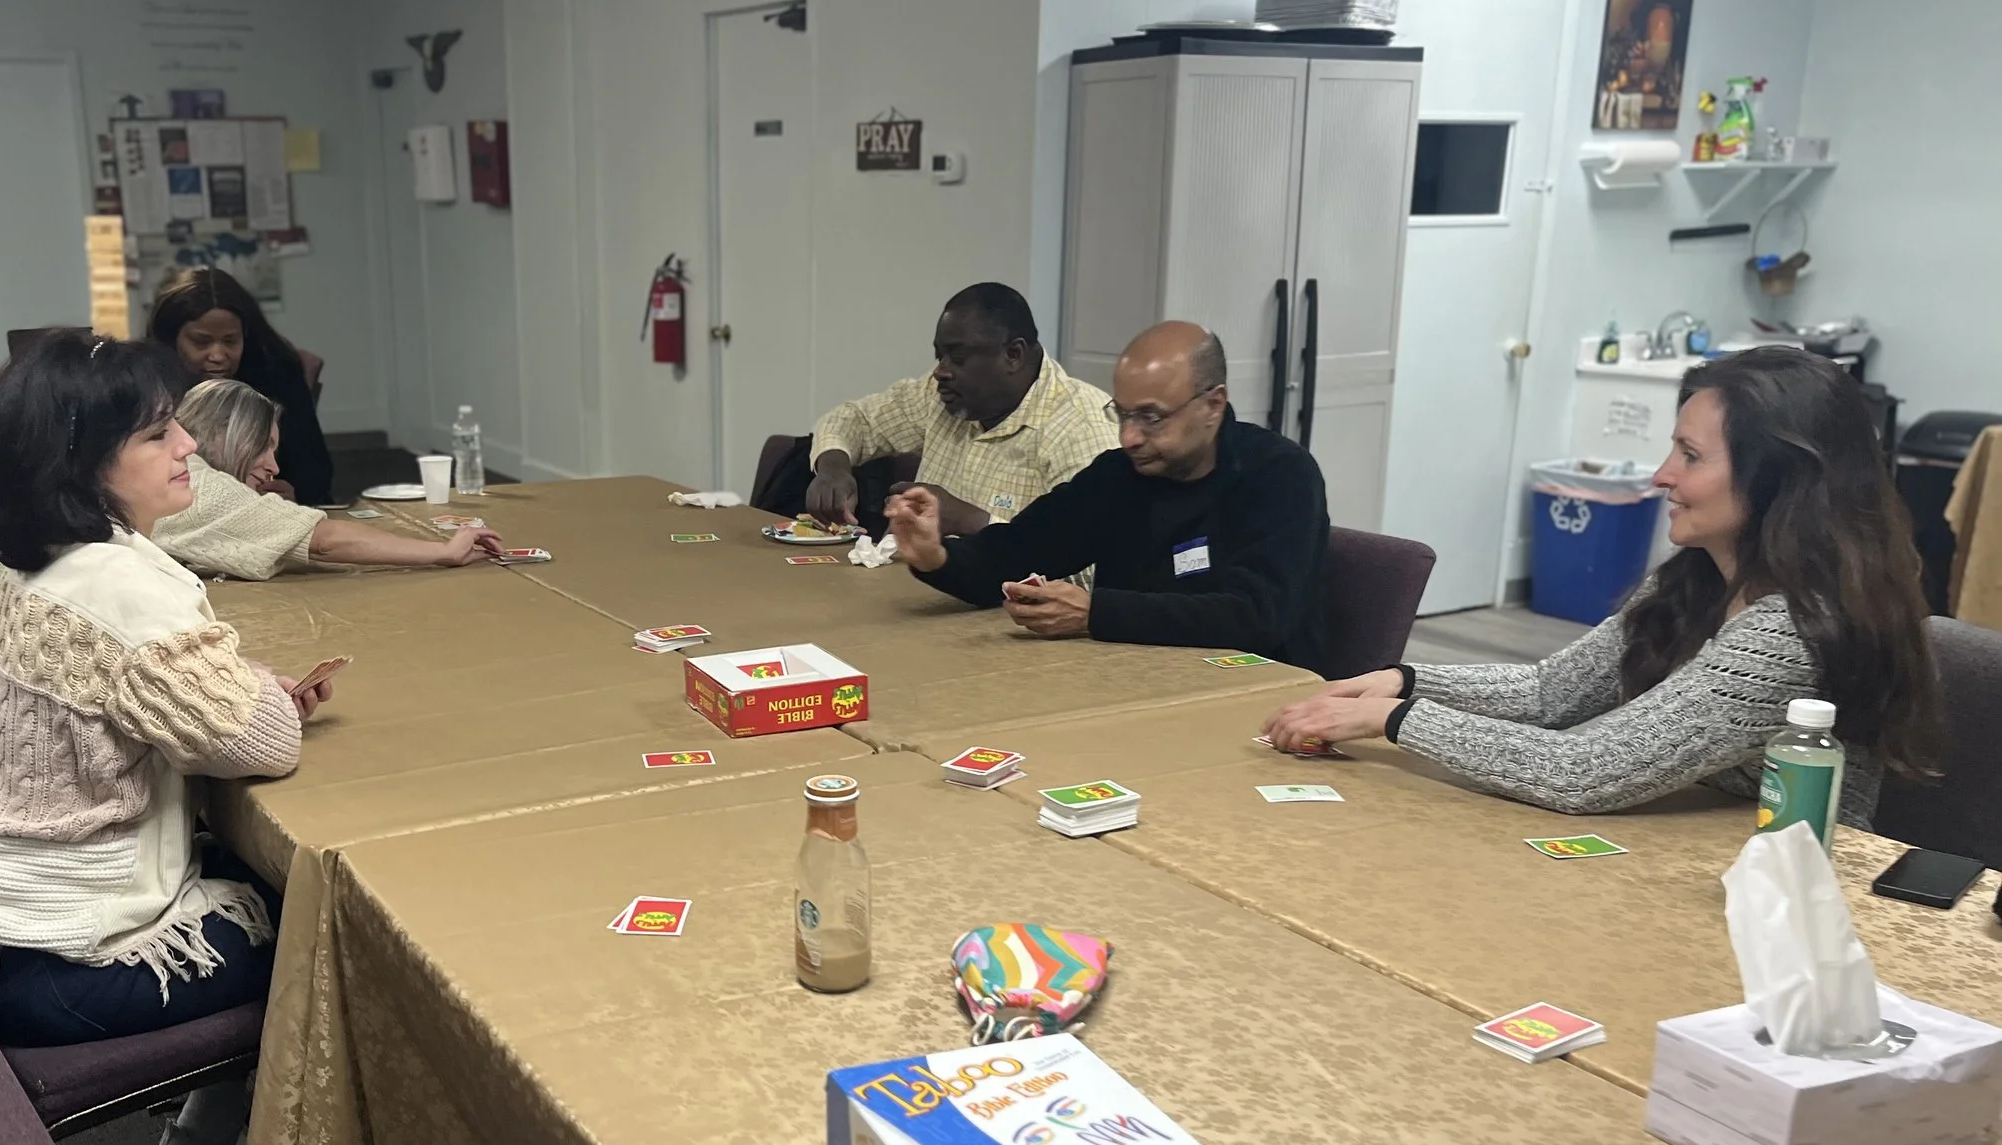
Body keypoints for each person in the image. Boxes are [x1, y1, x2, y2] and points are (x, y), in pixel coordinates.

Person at [0, 332, 320, 1145]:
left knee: (243, 870)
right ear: (83, 463)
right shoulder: (128, 588)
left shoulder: (55, 562)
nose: (187, 448)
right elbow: (266, 741)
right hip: (68, 963)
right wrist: (254, 689)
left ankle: (201, 1136)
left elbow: (166, 703)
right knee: (336, 945)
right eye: (156, 435)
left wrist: (226, 683)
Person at [1262, 347, 1939, 821]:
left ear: (1778, 479)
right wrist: (1407, 682)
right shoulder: (1700, 576)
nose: (1661, 475)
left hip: (1772, 901)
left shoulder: (1788, 630)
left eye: (1691, 456)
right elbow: (1552, 692)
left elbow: (1584, 769)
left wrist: (1392, 718)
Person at [0, 381, 502, 710]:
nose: (273, 464)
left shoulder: (99, 461)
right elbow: (320, 534)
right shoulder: (201, 488)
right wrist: (441, 553)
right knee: (153, 691)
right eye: (266, 447)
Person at [884, 320, 1331, 669]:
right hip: (1134, 677)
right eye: (1121, 414)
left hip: (1257, 692)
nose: (1129, 436)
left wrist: (1095, 614)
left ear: (1212, 405)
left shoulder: (1279, 474)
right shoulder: (1121, 474)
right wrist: (937, 557)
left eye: (1151, 418)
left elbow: (1257, 616)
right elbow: (1018, 551)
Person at [805, 283, 1113, 535]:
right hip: (910, 589)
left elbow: (1091, 570)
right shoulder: (942, 395)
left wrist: (975, 523)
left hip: (1003, 608)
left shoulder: (1081, 427)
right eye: (940, 356)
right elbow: (854, 419)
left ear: (1014, 354)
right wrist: (834, 469)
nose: (941, 371)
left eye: (958, 357)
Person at [147, 265, 336, 506]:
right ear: (169, 339)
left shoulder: (276, 371)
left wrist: (292, 494)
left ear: (245, 335)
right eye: (201, 341)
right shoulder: (149, 384)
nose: (217, 354)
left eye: (230, 340)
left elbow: (313, 469)